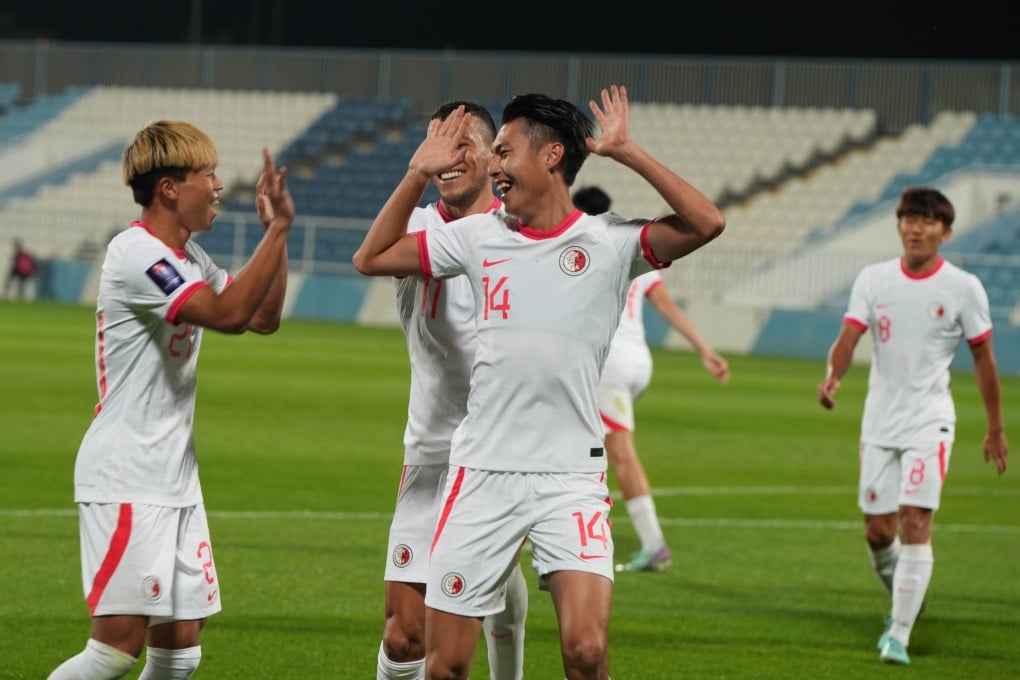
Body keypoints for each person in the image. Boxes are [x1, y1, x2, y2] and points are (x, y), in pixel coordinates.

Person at [353, 85, 725, 679]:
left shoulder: (608, 245)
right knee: (443, 666)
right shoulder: (477, 237)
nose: (495, 166)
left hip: (569, 477)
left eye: (504, 151)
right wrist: (414, 173)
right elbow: (371, 259)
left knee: (586, 652)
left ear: (551, 156)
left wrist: (628, 153)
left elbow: (707, 222)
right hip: (481, 474)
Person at [48, 120, 293, 680]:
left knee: (181, 644)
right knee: (114, 649)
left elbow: (263, 318)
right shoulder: (136, 253)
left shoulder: (191, 258)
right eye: (206, 174)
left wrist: (271, 236)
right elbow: (228, 317)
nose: (217, 186)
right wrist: (279, 230)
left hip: (175, 476)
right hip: (128, 473)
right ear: (169, 189)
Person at [817, 186, 1008, 666]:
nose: (916, 228)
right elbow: (848, 336)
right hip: (879, 421)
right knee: (878, 533)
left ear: (945, 232)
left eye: (927, 221)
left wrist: (996, 427)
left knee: (916, 521)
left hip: (930, 421)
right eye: (908, 219)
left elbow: (983, 356)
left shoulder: (964, 288)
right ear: (899, 225)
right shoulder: (874, 279)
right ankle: (910, 596)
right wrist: (833, 376)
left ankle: (898, 632)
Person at [378, 100, 528, 680]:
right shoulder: (415, 227)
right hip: (432, 456)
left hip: (500, 456)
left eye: (464, 144)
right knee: (404, 635)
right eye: (438, 143)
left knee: (475, 609)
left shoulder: (521, 234)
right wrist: (415, 172)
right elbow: (369, 257)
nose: (449, 156)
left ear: (494, 157)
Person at [574, 184, 729, 573]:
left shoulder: (579, 249)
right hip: (639, 362)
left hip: (610, 365)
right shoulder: (631, 245)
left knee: (620, 454)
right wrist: (704, 349)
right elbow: (668, 308)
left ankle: (654, 544)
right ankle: (564, 526)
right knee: (583, 438)